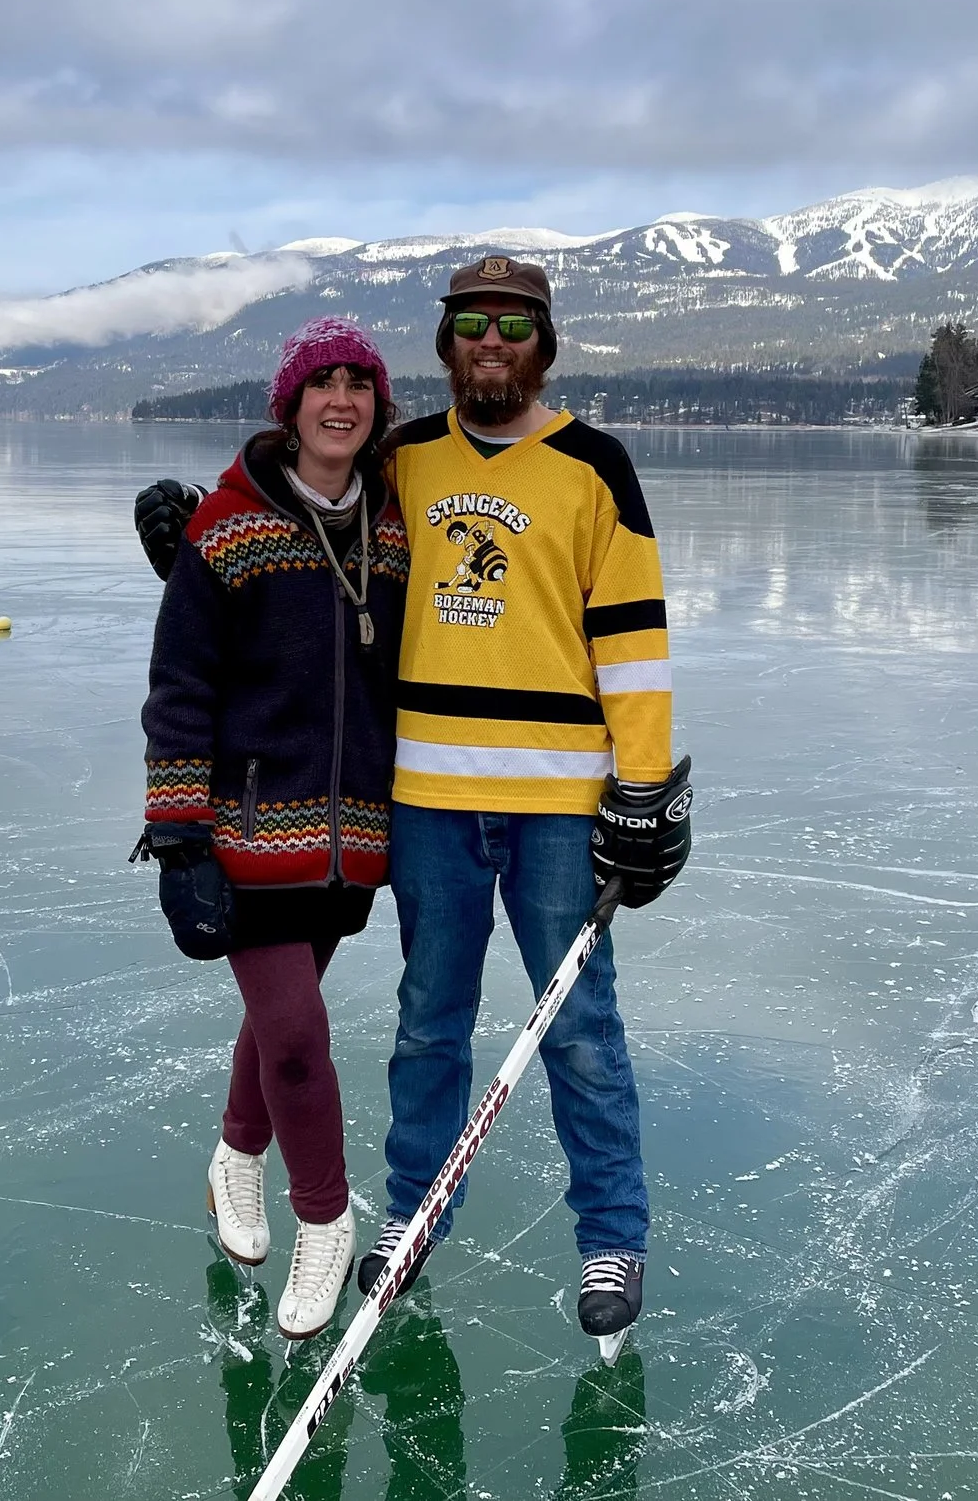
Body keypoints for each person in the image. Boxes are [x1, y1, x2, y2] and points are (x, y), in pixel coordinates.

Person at [138, 256, 691, 1349]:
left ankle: (610, 1234)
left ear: (545, 340)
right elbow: (300, 518)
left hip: (558, 805)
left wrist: (646, 789)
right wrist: (192, 541)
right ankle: (415, 1213)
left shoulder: (594, 465)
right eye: (471, 324)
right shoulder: (404, 459)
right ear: (444, 346)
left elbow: (630, 641)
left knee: (576, 1026)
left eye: (514, 324)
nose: (492, 341)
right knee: (427, 1024)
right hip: (425, 798)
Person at [139, 316, 410, 1340]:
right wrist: (177, 832)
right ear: (288, 404)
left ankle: (234, 1152)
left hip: (352, 833)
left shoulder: (395, 526)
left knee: (277, 1024)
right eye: (320, 384)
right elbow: (179, 689)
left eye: (358, 384)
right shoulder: (227, 527)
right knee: (297, 1033)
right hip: (248, 830)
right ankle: (326, 1220)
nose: (340, 399)